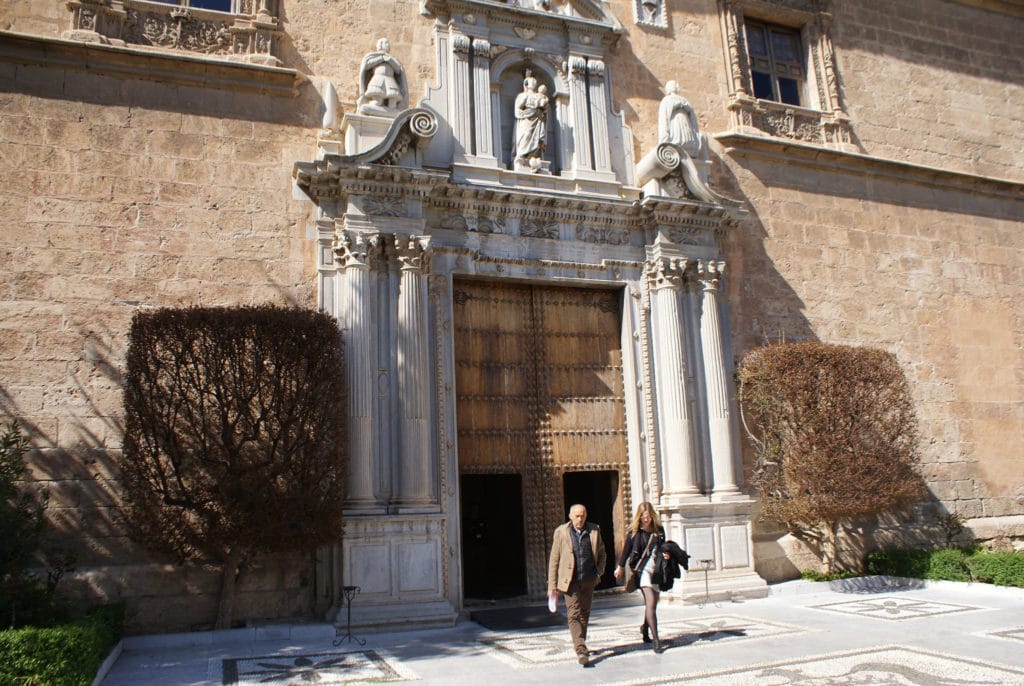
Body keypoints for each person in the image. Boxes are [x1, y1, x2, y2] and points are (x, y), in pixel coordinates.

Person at [548, 503, 607, 667]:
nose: (580, 519)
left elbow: (602, 553)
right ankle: (580, 649)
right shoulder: (561, 532)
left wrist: (598, 573)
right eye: (577, 515)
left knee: (584, 613)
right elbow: (554, 559)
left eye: (582, 515)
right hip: (570, 581)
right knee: (573, 614)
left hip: (588, 579)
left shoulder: (594, 530)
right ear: (570, 516)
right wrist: (552, 585)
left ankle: (580, 641)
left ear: (586, 516)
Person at [614, 501, 670, 652]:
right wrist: (620, 567)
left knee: (652, 605)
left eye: (649, 516)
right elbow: (626, 551)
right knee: (650, 602)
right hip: (643, 571)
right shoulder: (634, 533)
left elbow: (664, 547)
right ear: (639, 516)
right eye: (644, 516)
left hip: (656, 570)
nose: (647, 519)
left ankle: (645, 628)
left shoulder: (659, 530)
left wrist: (666, 554)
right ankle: (656, 640)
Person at [358, 38, 406, 115]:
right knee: (378, 101)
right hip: (378, 79)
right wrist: (381, 58)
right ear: (380, 44)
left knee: (393, 102)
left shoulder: (392, 58)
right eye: (386, 43)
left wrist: (390, 60)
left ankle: (392, 112)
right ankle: (373, 108)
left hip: (390, 81)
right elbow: (367, 65)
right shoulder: (374, 56)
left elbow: (398, 70)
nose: (388, 45)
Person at [513, 72, 549, 172]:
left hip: (538, 120)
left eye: (535, 81)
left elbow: (544, 108)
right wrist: (530, 112)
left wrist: (542, 109)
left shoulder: (539, 95)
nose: (534, 82)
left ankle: (534, 157)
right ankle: (523, 157)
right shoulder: (523, 95)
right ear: (526, 84)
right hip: (526, 121)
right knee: (526, 135)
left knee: (537, 141)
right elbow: (517, 111)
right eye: (532, 81)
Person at [657, 80, 702, 158]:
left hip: (685, 125)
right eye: (674, 86)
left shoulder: (683, 100)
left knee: (685, 139)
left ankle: (687, 146)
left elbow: (691, 115)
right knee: (678, 140)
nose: (676, 87)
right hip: (675, 124)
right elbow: (664, 117)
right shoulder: (667, 100)